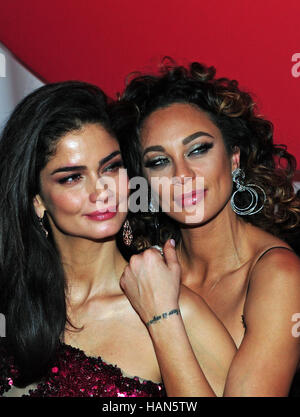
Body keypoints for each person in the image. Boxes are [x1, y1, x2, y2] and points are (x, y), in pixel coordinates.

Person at [0, 81, 236, 397]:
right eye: (72, 177)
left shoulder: (177, 309)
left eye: (111, 168)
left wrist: (161, 321)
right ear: (37, 199)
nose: (101, 191)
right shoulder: (12, 305)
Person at [113, 61, 300, 396]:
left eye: (198, 149)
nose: (182, 175)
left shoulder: (280, 275)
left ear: (234, 158)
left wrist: (163, 318)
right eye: (159, 161)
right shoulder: (143, 270)